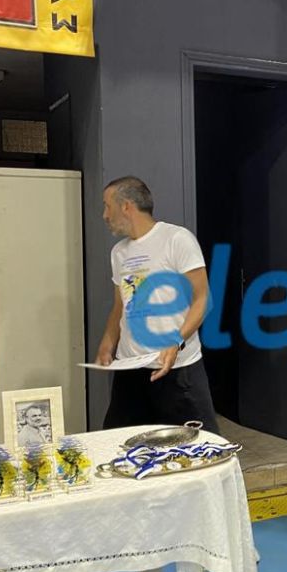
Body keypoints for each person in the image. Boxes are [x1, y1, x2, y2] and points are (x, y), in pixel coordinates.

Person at [95, 176, 219, 433]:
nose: (105, 215)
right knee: (121, 443)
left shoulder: (177, 239)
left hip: (178, 370)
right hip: (130, 369)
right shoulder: (118, 252)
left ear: (126, 206)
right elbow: (120, 306)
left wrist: (175, 341)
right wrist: (108, 342)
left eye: (107, 206)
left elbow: (203, 299)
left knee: (196, 445)